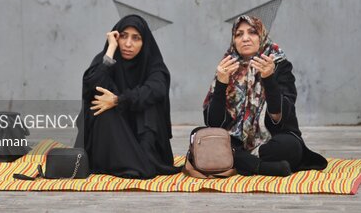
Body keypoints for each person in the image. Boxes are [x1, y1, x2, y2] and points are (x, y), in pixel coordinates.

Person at [203, 15, 327, 176]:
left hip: (270, 141)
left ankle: (239, 161)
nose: (245, 38)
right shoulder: (227, 67)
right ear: (233, 40)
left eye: (252, 32)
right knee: (199, 138)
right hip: (234, 142)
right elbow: (214, 123)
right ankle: (263, 167)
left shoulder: (279, 65)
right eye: (239, 34)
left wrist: (268, 78)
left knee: (290, 147)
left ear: (262, 35)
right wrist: (221, 83)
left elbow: (279, 116)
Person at [75, 15, 179, 179]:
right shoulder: (105, 59)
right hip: (112, 135)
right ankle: (136, 164)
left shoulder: (153, 64)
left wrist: (118, 100)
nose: (128, 44)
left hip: (141, 136)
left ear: (144, 42)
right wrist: (110, 51)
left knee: (149, 103)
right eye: (123, 36)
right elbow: (91, 87)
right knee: (99, 105)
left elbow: (156, 89)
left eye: (136, 38)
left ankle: (140, 161)